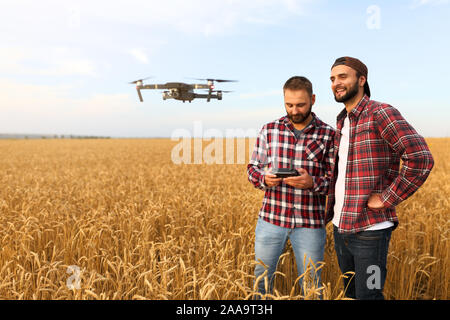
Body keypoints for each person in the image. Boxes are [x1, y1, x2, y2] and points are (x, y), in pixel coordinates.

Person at [327, 56, 434, 299]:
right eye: (332, 79)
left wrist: (386, 198)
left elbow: (421, 158)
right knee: (352, 294)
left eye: (343, 76)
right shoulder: (341, 121)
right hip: (340, 228)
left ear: (361, 80)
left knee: (370, 295)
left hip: (370, 232)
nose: (336, 83)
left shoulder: (381, 113)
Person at [247, 76, 335, 298]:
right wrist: (264, 179)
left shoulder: (328, 134)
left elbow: (334, 181)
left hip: (310, 224)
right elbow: (253, 168)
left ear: (313, 99)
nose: (294, 110)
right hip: (271, 220)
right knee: (261, 283)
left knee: (312, 286)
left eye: (301, 105)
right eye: (289, 105)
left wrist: (312, 183)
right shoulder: (269, 130)